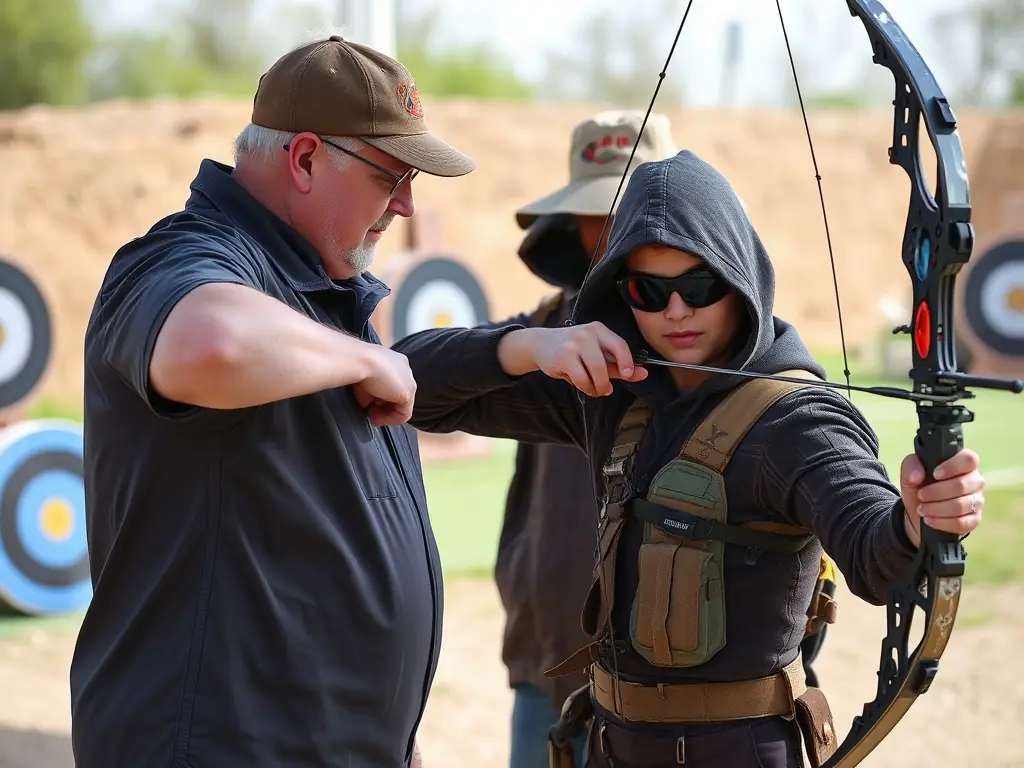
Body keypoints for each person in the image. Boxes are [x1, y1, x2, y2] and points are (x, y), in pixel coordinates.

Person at [391, 150, 986, 767]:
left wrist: (919, 519)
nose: (675, 312)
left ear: (739, 280)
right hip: (612, 743)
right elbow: (405, 385)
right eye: (648, 291)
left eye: (699, 287)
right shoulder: (612, 389)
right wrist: (525, 346)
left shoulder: (796, 419)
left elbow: (875, 553)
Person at [70, 34, 473, 768]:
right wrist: (362, 357)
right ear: (307, 158)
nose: (408, 206)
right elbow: (209, 344)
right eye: (392, 176)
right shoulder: (184, 255)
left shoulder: (314, 290)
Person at [489, 110, 677, 768]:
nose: (615, 231)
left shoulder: (716, 333)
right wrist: (523, 348)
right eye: (600, 212)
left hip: (673, 682)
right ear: (573, 224)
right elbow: (422, 373)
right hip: (548, 658)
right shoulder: (546, 328)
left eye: (632, 209)